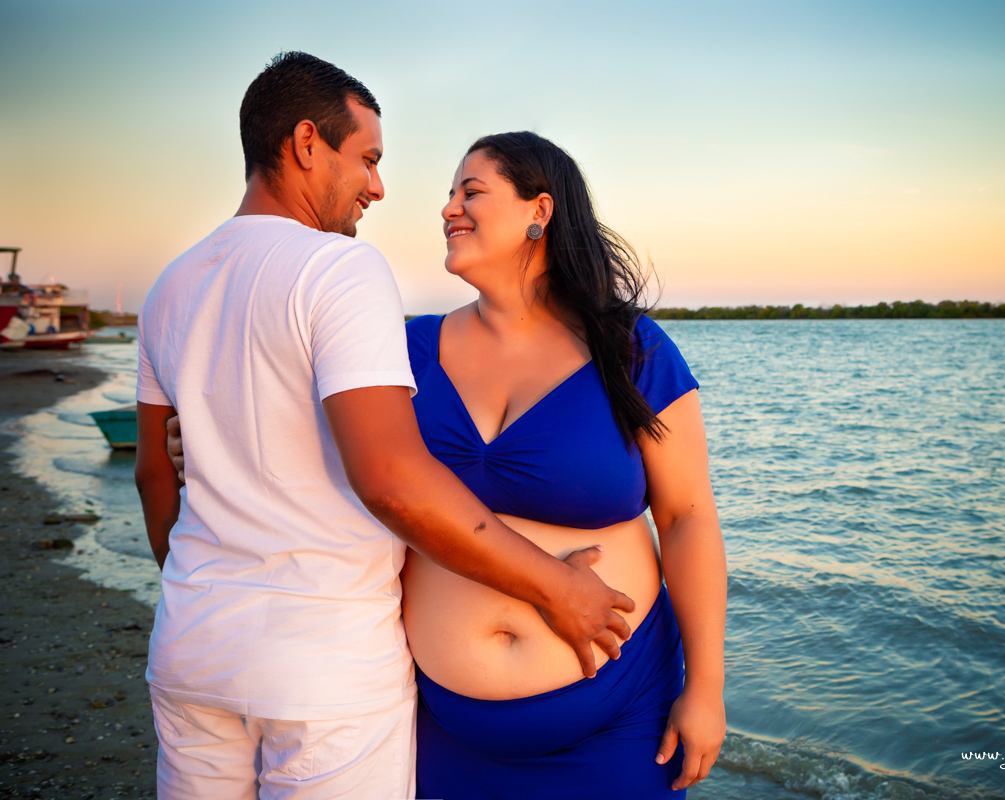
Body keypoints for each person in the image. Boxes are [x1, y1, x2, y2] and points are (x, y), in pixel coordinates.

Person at [134, 53, 635, 800]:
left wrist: (202, 591)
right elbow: (393, 480)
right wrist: (558, 588)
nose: (377, 186)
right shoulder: (338, 269)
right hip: (323, 669)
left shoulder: (170, 286)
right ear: (307, 143)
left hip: (191, 647)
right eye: (366, 158)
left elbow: (155, 473)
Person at [400, 132, 728, 798]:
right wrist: (189, 443)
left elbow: (688, 517)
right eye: (448, 196)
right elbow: (337, 458)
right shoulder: (407, 348)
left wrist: (708, 690)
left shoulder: (630, 349)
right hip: (441, 726)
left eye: (471, 192)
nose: (448, 209)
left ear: (539, 212)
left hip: (616, 721)